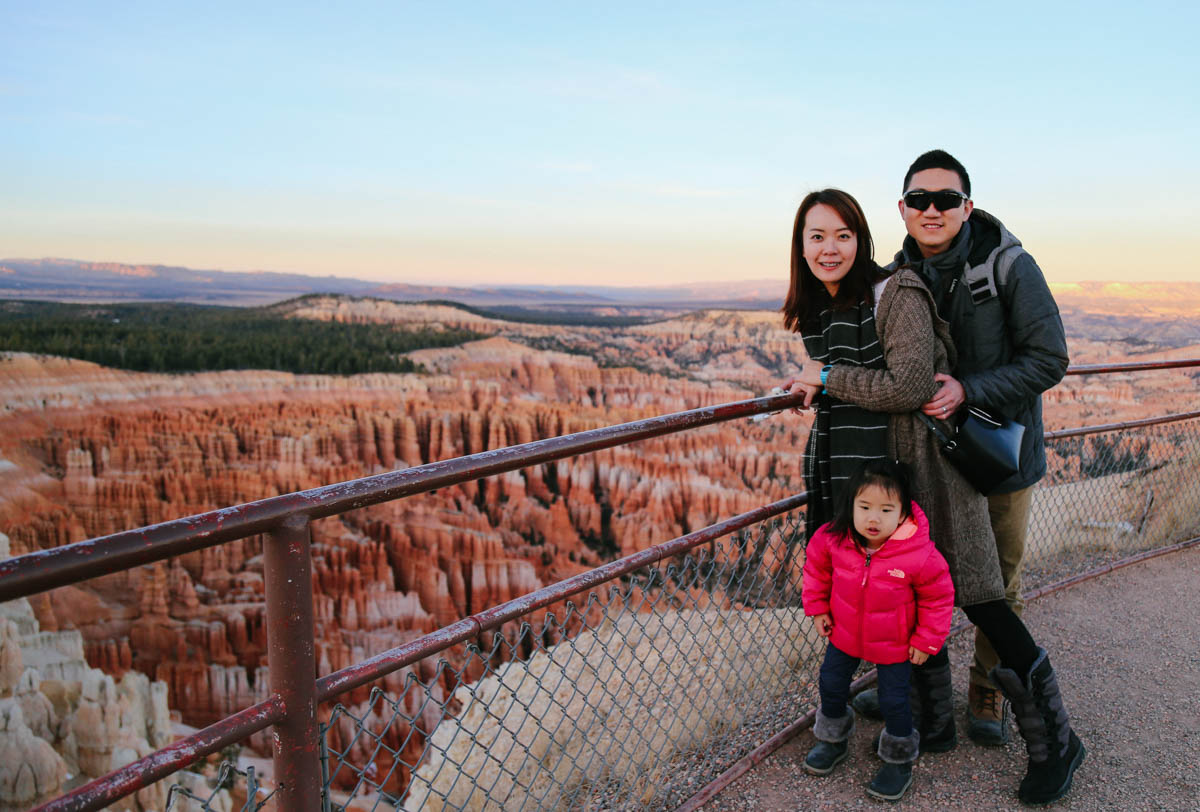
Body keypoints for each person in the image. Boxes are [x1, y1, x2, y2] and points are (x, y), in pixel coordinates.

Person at [782, 187, 1085, 805]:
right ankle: (935, 723)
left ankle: (1057, 740)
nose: (829, 248)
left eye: (842, 234)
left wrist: (829, 379)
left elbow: (914, 382)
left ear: (862, 237)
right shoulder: (827, 309)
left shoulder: (897, 292)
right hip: (886, 472)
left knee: (981, 595)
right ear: (800, 247)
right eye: (817, 237)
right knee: (913, 586)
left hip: (930, 466)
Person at [801, 459, 954, 802]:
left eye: (886, 509)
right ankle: (832, 739)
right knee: (831, 683)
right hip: (843, 634)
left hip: (895, 645)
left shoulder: (919, 555)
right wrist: (818, 609)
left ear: (903, 513)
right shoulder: (834, 540)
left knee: (894, 701)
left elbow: (938, 598)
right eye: (865, 507)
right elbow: (816, 571)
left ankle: (898, 759)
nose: (873, 518)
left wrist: (926, 640)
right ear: (851, 505)